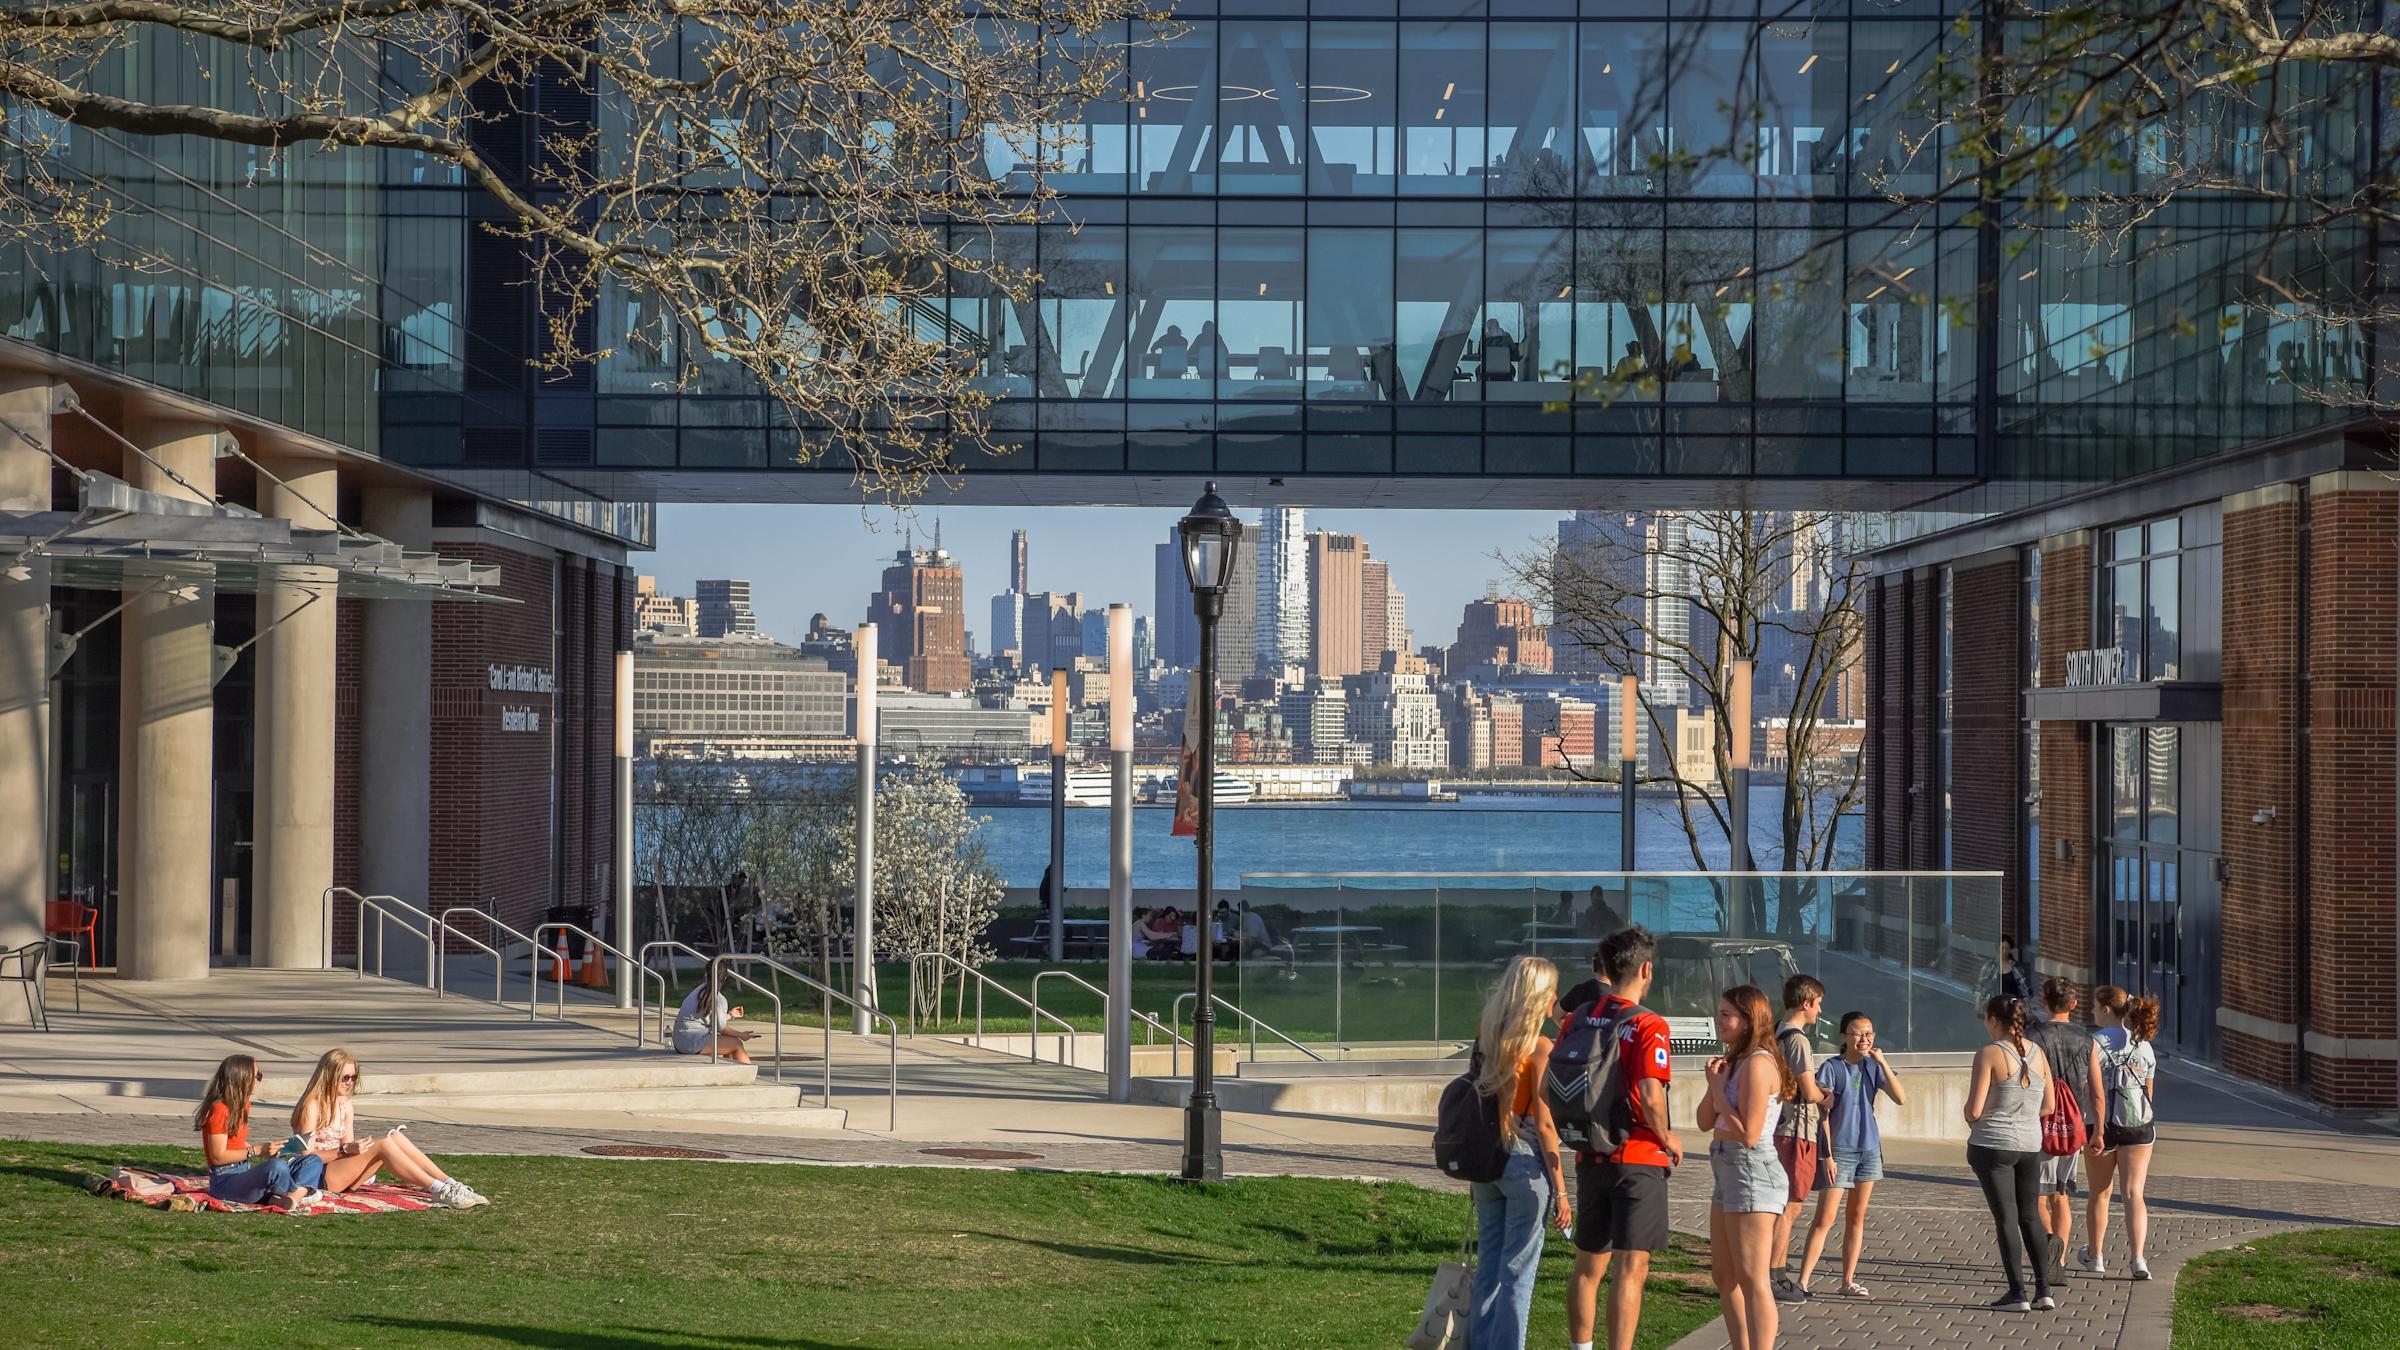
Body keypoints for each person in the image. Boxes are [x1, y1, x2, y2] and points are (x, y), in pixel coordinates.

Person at [1564, 926, 1684, 1350]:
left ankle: (1581, 1347)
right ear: (1646, 969)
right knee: (1631, 1267)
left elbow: (1551, 1086)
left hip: (1590, 1154)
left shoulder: (1580, 1017)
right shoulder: (1649, 1025)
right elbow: (1652, 1095)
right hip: (1638, 1157)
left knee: (1587, 1265)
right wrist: (1667, 1137)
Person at [1466, 956, 1573, 1350]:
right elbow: (1545, 1125)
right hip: (1525, 1161)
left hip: (1488, 1157)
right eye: (1551, 992)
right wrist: (1561, 1189)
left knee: (1490, 1264)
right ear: (1538, 997)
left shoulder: (1486, 1035)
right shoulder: (1540, 1047)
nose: (1557, 1000)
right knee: (1519, 1271)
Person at [1697, 985, 1793, 1350]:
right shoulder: (1734, 1061)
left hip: (1752, 1169)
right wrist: (1713, 1085)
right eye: (1719, 1012)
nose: (1719, 1020)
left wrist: (1720, 1090)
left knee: (1754, 1279)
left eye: (1727, 1014)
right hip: (1725, 1167)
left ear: (1749, 1020)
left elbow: (1750, 1134)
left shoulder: (1758, 1063)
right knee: (1724, 1276)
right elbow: (1705, 1120)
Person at [1793, 1012, 1906, 1297]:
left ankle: (1847, 1281)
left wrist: (1882, 1061)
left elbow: (1900, 1097)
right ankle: (1803, 1281)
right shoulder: (1832, 1067)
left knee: (1857, 1217)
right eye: (1857, 1033)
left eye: (1869, 1033)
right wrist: (1827, 1155)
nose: (1864, 1039)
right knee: (1825, 1218)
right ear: (1844, 1035)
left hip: (1868, 1149)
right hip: (1839, 1151)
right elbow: (1823, 1116)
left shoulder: (1873, 1066)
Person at [292, 1049, 489, 1208]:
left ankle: (450, 1184)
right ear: (329, 1077)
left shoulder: (344, 1103)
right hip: (317, 1175)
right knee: (383, 1143)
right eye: (345, 1078)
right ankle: (437, 1189)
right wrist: (346, 1150)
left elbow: (347, 1145)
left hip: (339, 1170)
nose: (350, 1082)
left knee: (394, 1136)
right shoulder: (312, 1106)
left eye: (354, 1077)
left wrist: (355, 1149)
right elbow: (305, 1155)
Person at [1964, 994, 2058, 1312]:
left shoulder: (1989, 1053)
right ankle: (2044, 1289)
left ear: (1993, 1020)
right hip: (2029, 1144)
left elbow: (1974, 1110)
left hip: (1992, 1144)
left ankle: (2016, 1292)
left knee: (2006, 1217)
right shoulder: (2039, 1053)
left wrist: (1973, 1114)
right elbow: (2049, 1106)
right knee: (2030, 1215)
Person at [2026, 976, 2103, 1287]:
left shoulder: (2032, 1037)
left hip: (2039, 1124)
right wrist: (2097, 1130)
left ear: (2044, 1003)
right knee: (2061, 1196)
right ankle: (2058, 1259)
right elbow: (2097, 1092)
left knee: (2037, 1197)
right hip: (2072, 1127)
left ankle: (2047, 1253)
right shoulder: (2088, 1040)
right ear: (2073, 1004)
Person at [2083, 985, 2160, 1280]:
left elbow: (2090, 1090)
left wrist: (2090, 1125)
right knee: (2133, 1194)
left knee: (2100, 1194)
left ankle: (2096, 1255)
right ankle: (2139, 1258)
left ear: (2105, 1009)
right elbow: (2149, 1092)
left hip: (2101, 1127)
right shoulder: (2144, 1046)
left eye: (2093, 1006)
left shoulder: (2095, 1043)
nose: (2091, 1011)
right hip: (2139, 1126)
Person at [192, 1054, 318, 1210]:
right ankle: (296, 1193)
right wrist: (257, 1150)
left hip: (245, 1170)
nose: (259, 1080)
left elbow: (236, 1143)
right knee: (276, 1167)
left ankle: (286, 1197)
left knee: (311, 1161)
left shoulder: (242, 1104)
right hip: (226, 1181)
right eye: (257, 1075)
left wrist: (270, 1150)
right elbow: (218, 1156)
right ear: (242, 1078)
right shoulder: (219, 1109)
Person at [1769, 976, 1829, 1302]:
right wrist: (1826, 1096)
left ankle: (1777, 1273)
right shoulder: (1797, 1040)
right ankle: (1774, 1277)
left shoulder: (1776, 1031)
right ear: (1805, 1003)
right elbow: (1807, 1090)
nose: (1820, 1010)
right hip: (1796, 1130)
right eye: (1818, 1004)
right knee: (1790, 1205)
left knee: (1785, 1204)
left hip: (1783, 1128)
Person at [674, 955, 756, 1063]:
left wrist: (730, 1015)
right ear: (725, 977)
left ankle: (731, 1072)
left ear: (706, 974)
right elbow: (721, 1028)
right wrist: (742, 1035)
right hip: (691, 1042)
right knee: (737, 1044)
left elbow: (710, 1019)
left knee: (729, 1044)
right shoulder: (718, 998)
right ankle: (748, 1074)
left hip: (680, 1041)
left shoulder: (700, 992)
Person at [1555, 947, 1612, 1023]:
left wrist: (1572, 1032)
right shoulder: (1616, 995)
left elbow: (1557, 1015)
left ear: (1594, 967)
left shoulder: (1579, 989)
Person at [1997, 935, 2033, 1005]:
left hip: (2012, 1004)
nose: (2004, 951)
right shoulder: (1992, 965)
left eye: (2007, 948)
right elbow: (1982, 983)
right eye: (2002, 948)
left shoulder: (2016, 967)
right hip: (1996, 1004)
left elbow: (2025, 988)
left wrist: (2025, 1003)